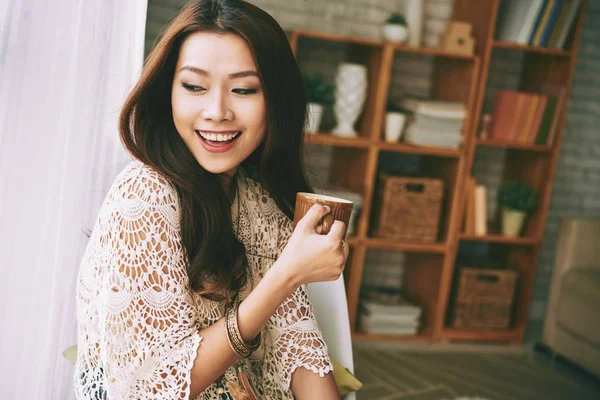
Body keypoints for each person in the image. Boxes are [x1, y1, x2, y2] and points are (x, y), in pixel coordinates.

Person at [74, 0, 350, 399]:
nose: (217, 111)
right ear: (167, 91)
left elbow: (298, 346)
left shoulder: (258, 202)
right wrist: (286, 275)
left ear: (275, 101)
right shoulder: (143, 195)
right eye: (194, 86)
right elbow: (156, 386)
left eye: (243, 89)